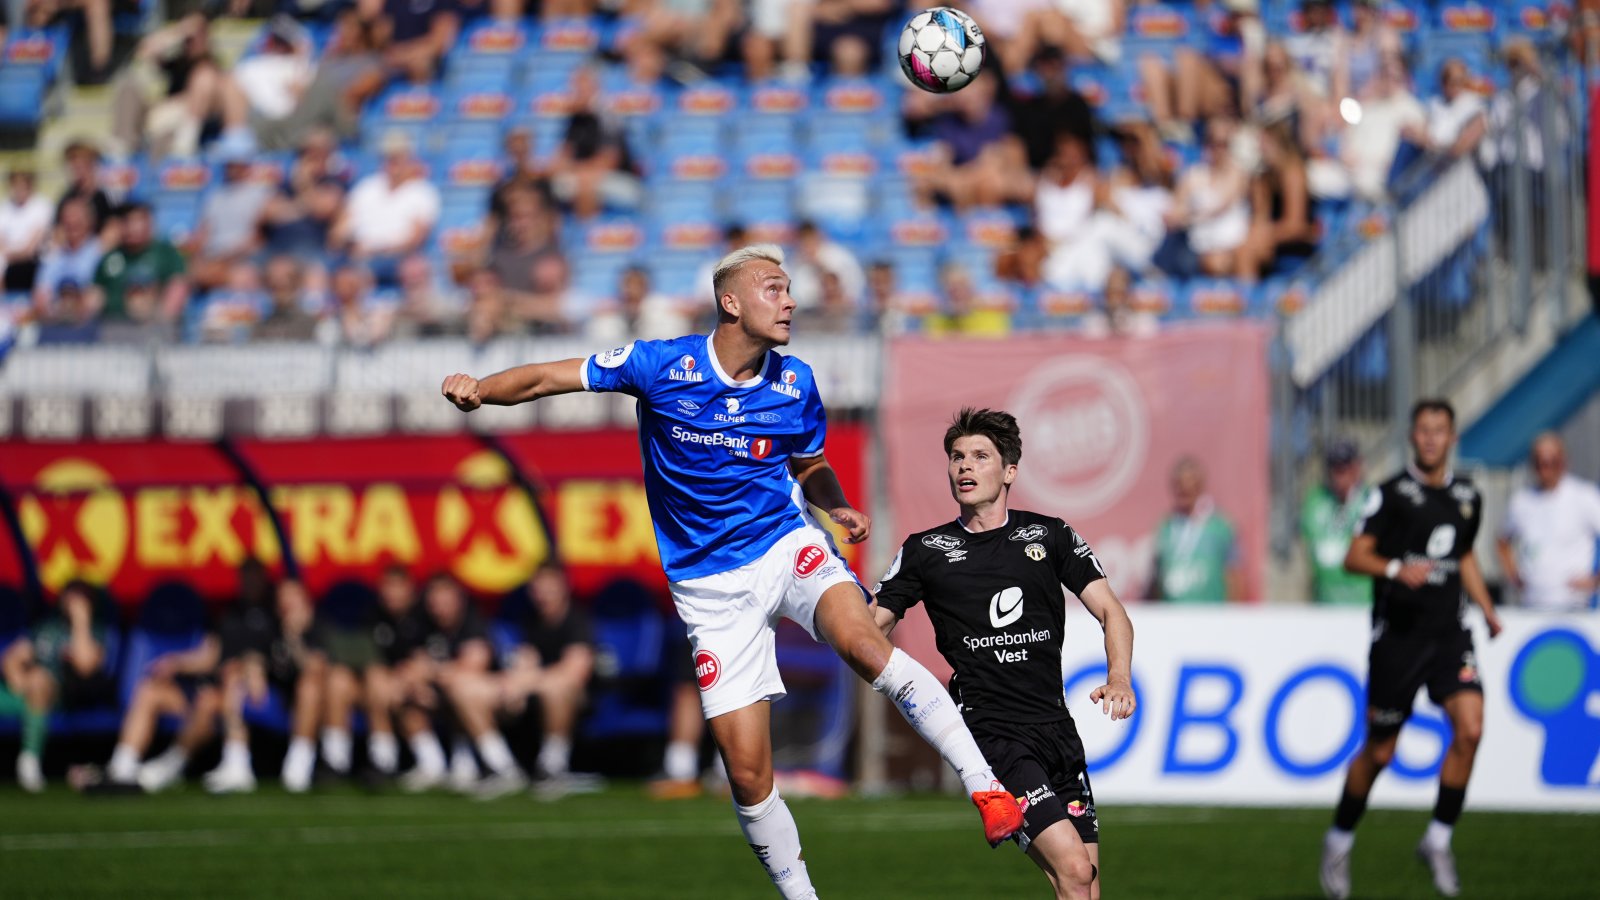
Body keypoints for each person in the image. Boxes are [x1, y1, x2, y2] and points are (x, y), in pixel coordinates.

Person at [441, 243, 1023, 898]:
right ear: (732, 302)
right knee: (747, 775)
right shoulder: (662, 364)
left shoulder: (795, 381)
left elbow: (809, 462)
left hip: (784, 545)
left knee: (864, 644)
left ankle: (987, 788)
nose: (790, 301)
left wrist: (833, 504)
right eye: (774, 288)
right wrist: (480, 390)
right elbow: (551, 378)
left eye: (790, 289)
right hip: (709, 588)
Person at [873, 408, 1136, 900]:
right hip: (993, 737)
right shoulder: (926, 550)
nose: (964, 466)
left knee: (1083, 883)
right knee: (1074, 870)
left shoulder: (1049, 535)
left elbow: (1111, 611)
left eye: (979, 456)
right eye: (956, 457)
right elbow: (870, 630)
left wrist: (1119, 677)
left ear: (1010, 471)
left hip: (1057, 731)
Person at [1320, 399, 1504, 900]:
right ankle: (1339, 840)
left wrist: (1487, 608)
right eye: (1423, 430)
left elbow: (1463, 554)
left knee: (1471, 728)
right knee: (1381, 751)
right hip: (1398, 639)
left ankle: (1437, 840)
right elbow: (1354, 556)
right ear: (1411, 437)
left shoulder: (1467, 496)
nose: (1430, 438)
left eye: (1439, 430)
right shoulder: (1390, 495)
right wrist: (1397, 569)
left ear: (1452, 437)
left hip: (1450, 635)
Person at [443, 565, 594, 798]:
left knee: (558, 687)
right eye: (538, 589)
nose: (543, 595)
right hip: (520, 691)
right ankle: (501, 767)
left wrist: (527, 682)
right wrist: (513, 682)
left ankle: (552, 767)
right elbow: (516, 661)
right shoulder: (525, 619)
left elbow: (575, 672)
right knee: (464, 687)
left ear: (565, 588)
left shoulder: (577, 620)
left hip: (570, 697)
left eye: (550, 589)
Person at [202, 574, 328, 794]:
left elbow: (315, 669)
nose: (287, 601)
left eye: (292, 596)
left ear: (304, 599)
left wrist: (294, 638)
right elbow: (254, 654)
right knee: (234, 677)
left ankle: (298, 766)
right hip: (276, 700)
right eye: (283, 596)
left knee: (309, 687)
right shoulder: (270, 624)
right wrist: (253, 669)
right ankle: (237, 765)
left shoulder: (316, 626)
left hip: (315, 706)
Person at [0, 581, 116, 792]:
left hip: (60, 696)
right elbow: (13, 658)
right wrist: (20, 681)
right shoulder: (48, 628)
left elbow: (85, 665)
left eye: (80, 599)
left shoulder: (96, 632)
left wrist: (81, 622)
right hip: (25, 693)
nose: (73, 603)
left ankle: (29, 761)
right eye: (70, 597)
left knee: (40, 678)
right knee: (35, 680)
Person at [1496, 433, 1600, 611]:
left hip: (1574, 606)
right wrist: (1514, 578)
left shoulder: (1584, 496)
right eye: (1540, 462)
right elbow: (1502, 541)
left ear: (1563, 462)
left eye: (1552, 462)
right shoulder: (1522, 501)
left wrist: (1595, 581)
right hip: (1532, 605)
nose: (1545, 469)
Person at [1150, 456, 1242, 602]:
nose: (1183, 488)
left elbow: (1235, 577)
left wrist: (1233, 613)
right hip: (1172, 613)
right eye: (1178, 484)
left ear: (1200, 486)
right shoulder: (1165, 527)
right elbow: (1156, 580)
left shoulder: (1221, 527)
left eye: (1189, 483)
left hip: (1210, 612)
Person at [1302, 440, 1373, 606]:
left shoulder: (1371, 500)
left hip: (1362, 604)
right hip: (1325, 603)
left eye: (1345, 468)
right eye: (1335, 468)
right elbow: (1311, 552)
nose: (1340, 476)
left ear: (1357, 467)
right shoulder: (1315, 501)